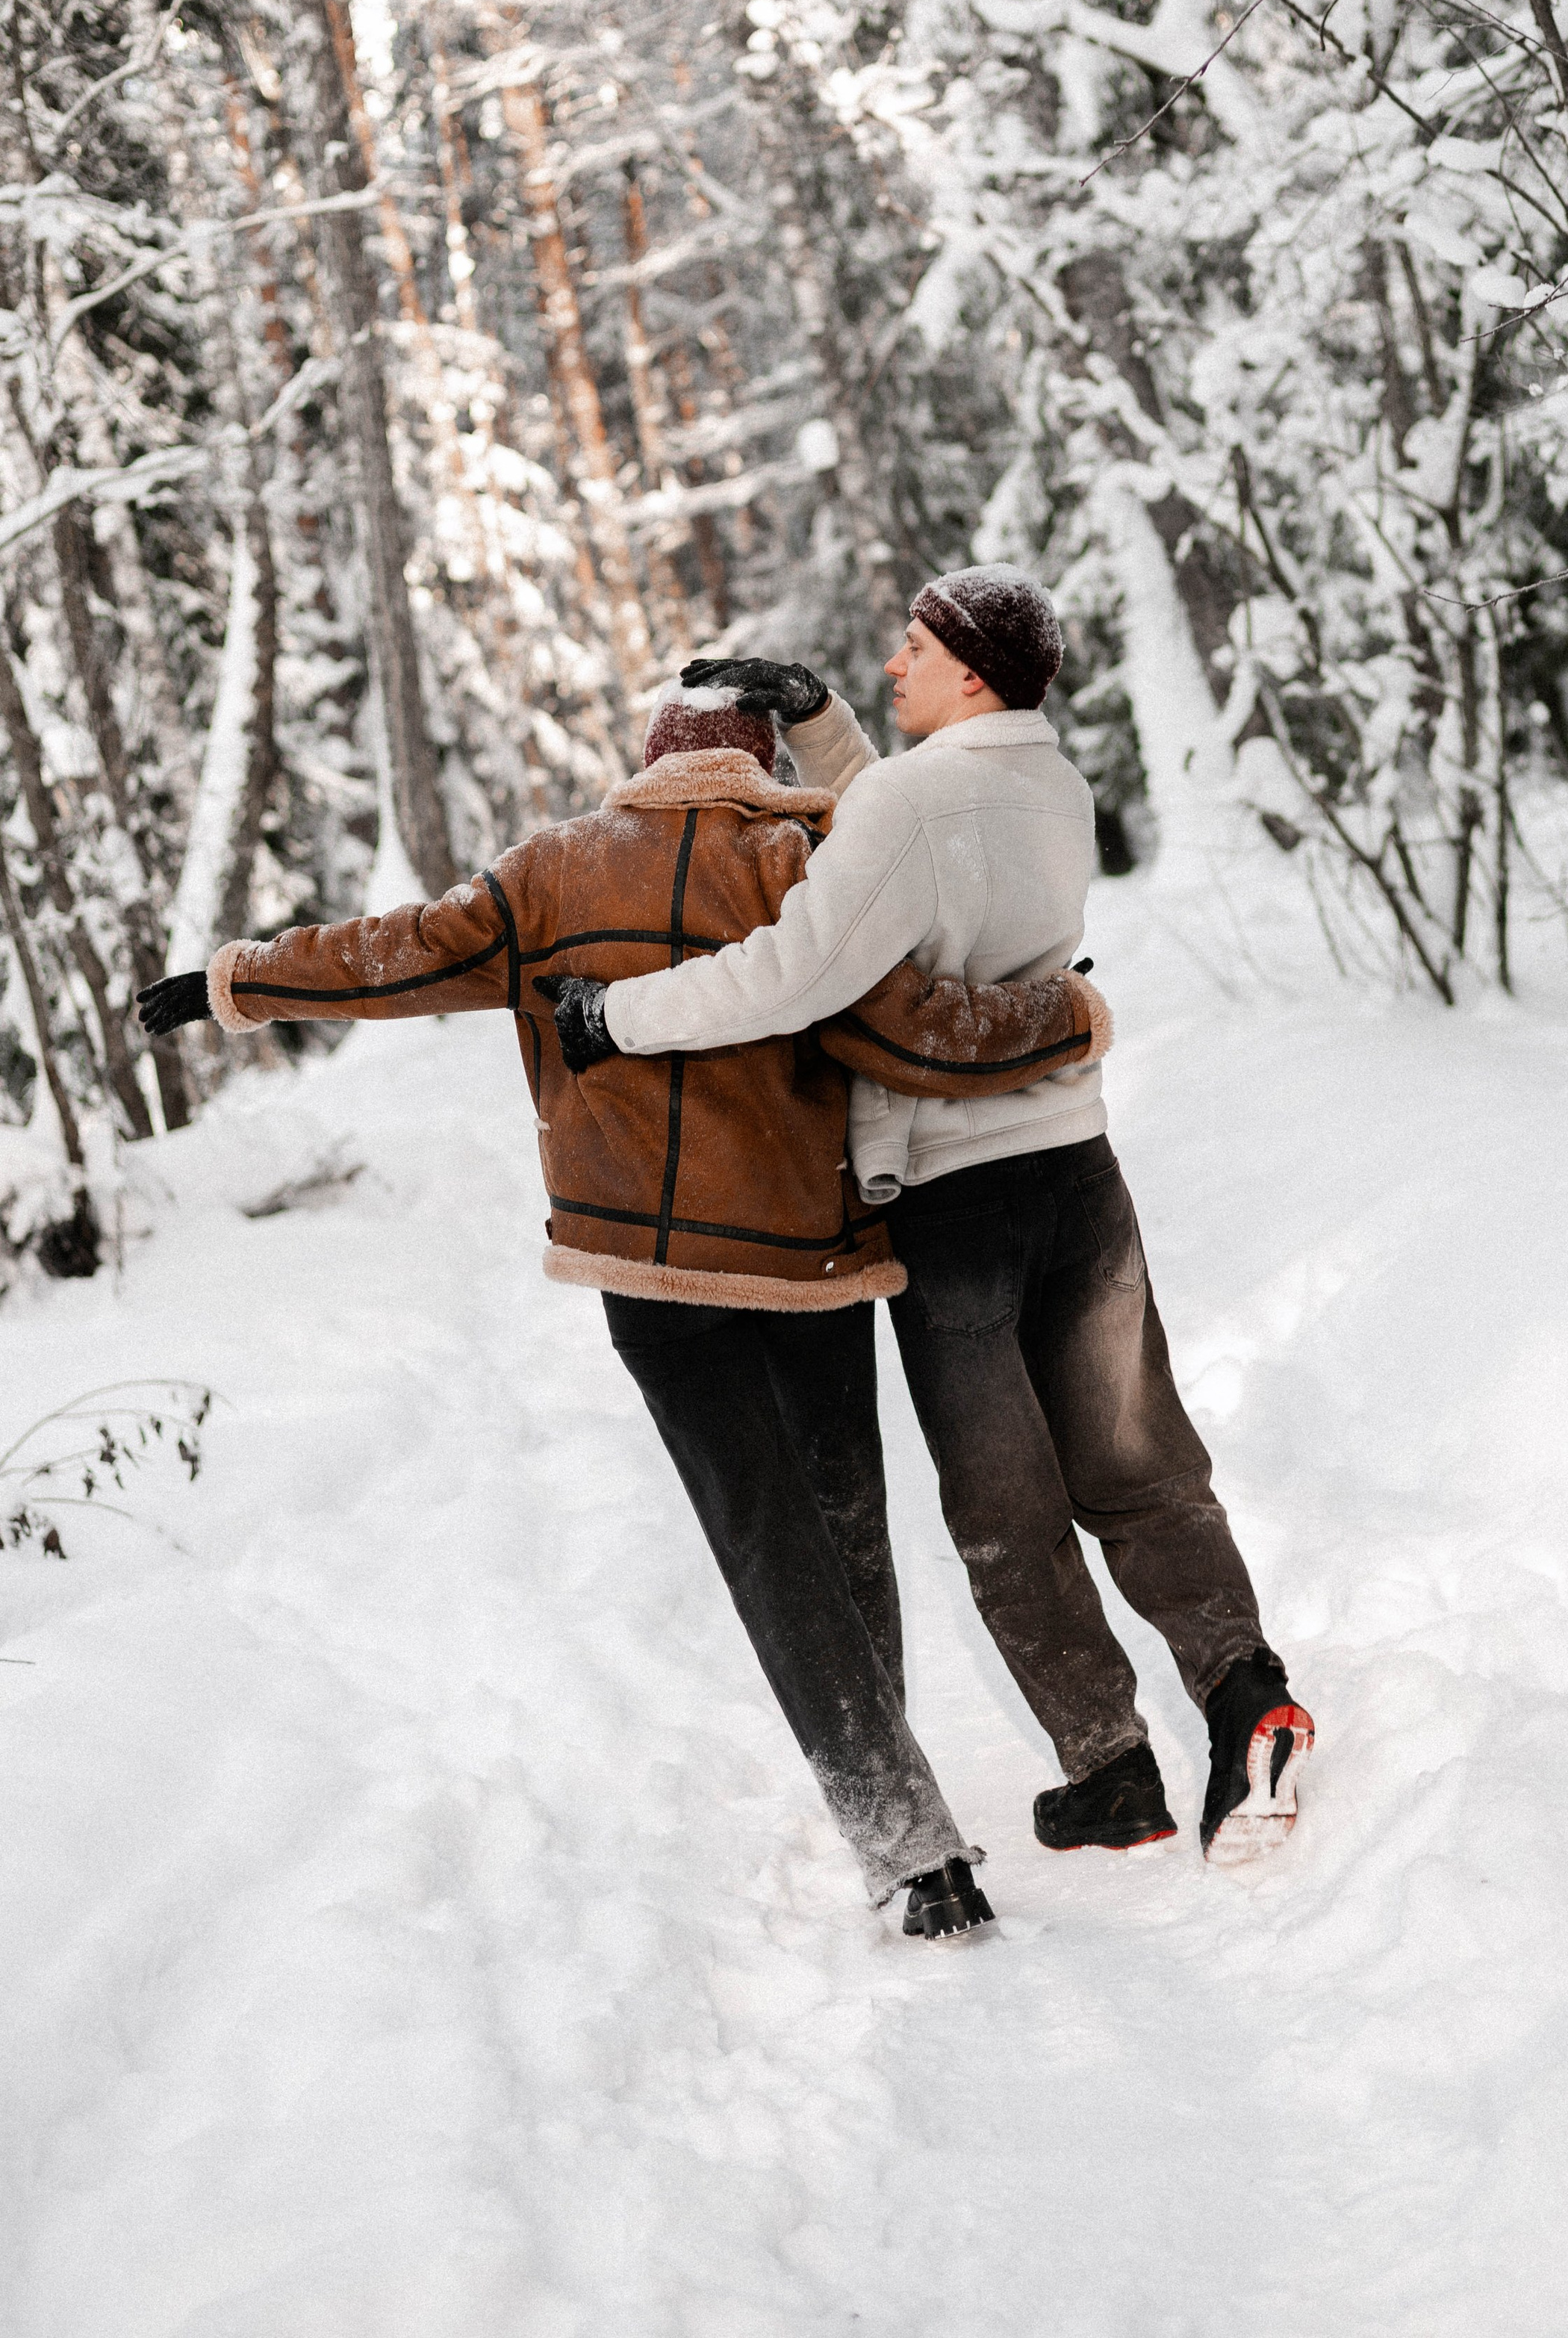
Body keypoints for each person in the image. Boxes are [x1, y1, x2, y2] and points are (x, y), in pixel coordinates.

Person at [139, 678, 1110, 1936]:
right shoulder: (806, 860)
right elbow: (911, 1034)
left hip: (651, 1278)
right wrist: (1066, 1017)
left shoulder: (552, 868)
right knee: (844, 1523)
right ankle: (899, 1792)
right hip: (806, 1258)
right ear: (762, 758)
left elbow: (397, 957)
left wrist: (240, 982)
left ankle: (906, 1839)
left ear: (648, 757)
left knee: (768, 1545)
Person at [555, 575, 1315, 1864]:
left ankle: (1112, 1769)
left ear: (969, 673)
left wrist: (613, 1020)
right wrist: (828, 721)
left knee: (1004, 1508)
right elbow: (917, 845)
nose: (892, 662)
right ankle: (1246, 1694)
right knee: (1139, 1464)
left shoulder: (909, 801)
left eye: (912, 649)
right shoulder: (1053, 786)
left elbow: (795, 966)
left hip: (953, 1204)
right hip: (1077, 1168)